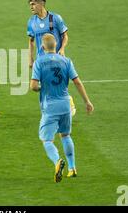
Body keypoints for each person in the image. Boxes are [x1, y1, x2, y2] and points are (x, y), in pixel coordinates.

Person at [30, 34, 94, 183]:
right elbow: (77, 83)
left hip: (50, 107)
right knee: (65, 135)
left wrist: (41, 88)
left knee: (46, 140)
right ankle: (72, 168)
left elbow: (33, 86)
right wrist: (87, 102)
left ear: (42, 47)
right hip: (65, 105)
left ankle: (57, 161)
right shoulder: (66, 61)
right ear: (56, 45)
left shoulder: (39, 62)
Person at [26, 0, 76, 116]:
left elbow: (65, 36)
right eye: (30, 5)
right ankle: (62, 103)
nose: (31, 7)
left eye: (33, 4)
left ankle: (58, 107)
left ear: (41, 4)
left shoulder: (55, 18)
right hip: (41, 60)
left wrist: (63, 49)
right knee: (44, 85)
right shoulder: (31, 22)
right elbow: (31, 41)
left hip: (57, 58)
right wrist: (30, 58)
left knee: (56, 84)